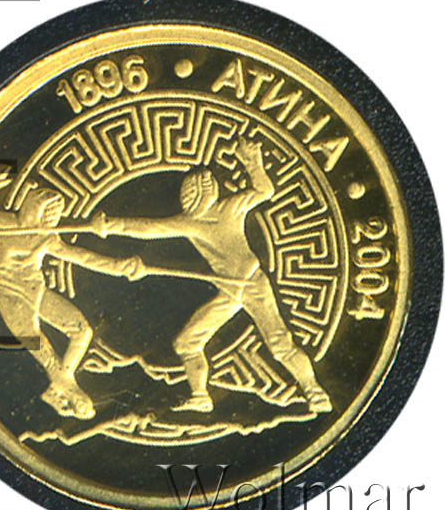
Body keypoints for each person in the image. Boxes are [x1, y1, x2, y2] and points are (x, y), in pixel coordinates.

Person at [87, 138, 332, 413]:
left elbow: (264, 190)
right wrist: (110, 225)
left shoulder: (227, 209)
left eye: (192, 191)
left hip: (251, 283)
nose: (189, 196)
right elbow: (149, 228)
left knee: (279, 344)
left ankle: (315, 392)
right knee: (187, 342)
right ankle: (201, 397)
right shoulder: (193, 221)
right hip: (230, 290)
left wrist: (253, 161)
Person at [0, 165, 146, 420]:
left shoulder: (46, 237)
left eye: (55, 213)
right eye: (48, 211)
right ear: (33, 207)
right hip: (11, 296)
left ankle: (63, 383)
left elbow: (82, 257)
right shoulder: (7, 224)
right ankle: (69, 391)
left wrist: (118, 267)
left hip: (36, 290)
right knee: (41, 347)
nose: (52, 218)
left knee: (82, 331)